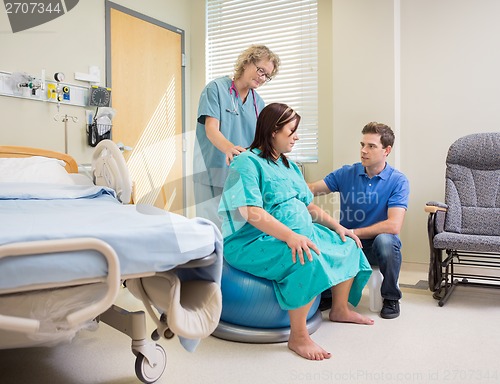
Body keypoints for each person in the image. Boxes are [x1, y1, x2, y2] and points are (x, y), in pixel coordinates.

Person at [218, 103, 374, 361]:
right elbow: (251, 211)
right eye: (291, 131)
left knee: (347, 244)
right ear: (272, 132)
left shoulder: (289, 166)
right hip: (252, 240)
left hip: (299, 232)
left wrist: (338, 227)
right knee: (305, 257)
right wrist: (290, 236)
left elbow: (308, 204)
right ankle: (298, 336)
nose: (296, 136)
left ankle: (340, 308)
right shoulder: (246, 162)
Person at [308, 122, 410, 319]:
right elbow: (312, 189)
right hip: (347, 246)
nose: (363, 151)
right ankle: (329, 294)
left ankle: (390, 297)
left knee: (387, 241)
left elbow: (393, 225)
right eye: (362, 145)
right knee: (319, 232)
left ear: (386, 150)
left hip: (374, 247)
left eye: (371, 146)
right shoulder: (347, 173)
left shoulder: (398, 181)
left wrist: (352, 233)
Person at [193, 44, 281, 227]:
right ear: (247, 62)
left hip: (240, 175)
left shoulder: (258, 102)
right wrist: (229, 149)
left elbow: (259, 141)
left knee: (237, 233)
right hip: (212, 171)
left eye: (267, 75)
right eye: (260, 70)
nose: (262, 77)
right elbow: (211, 129)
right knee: (213, 230)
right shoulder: (215, 89)